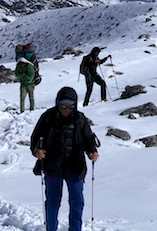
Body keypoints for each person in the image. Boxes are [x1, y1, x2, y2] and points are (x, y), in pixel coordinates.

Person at [30, 87, 99, 231]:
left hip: (75, 168)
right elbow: (35, 138)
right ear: (57, 103)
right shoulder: (48, 117)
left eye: (70, 106)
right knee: (53, 203)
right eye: (63, 105)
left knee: (77, 202)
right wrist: (37, 151)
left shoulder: (80, 119)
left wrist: (92, 152)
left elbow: (88, 139)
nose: (66, 109)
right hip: (52, 167)